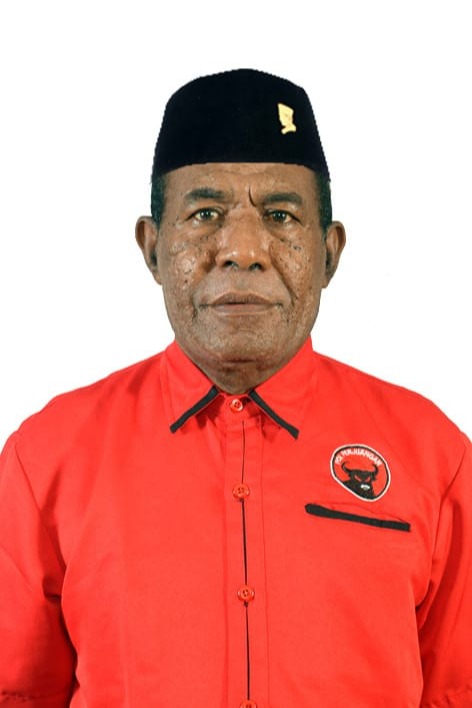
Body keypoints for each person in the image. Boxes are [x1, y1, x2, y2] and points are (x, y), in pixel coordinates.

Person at [0, 69, 471, 708]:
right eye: (205, 214)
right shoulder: (46, 459)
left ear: (330, 253)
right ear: (152, 248)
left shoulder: (435, 457)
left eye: (280, 215)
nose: (243, 249)